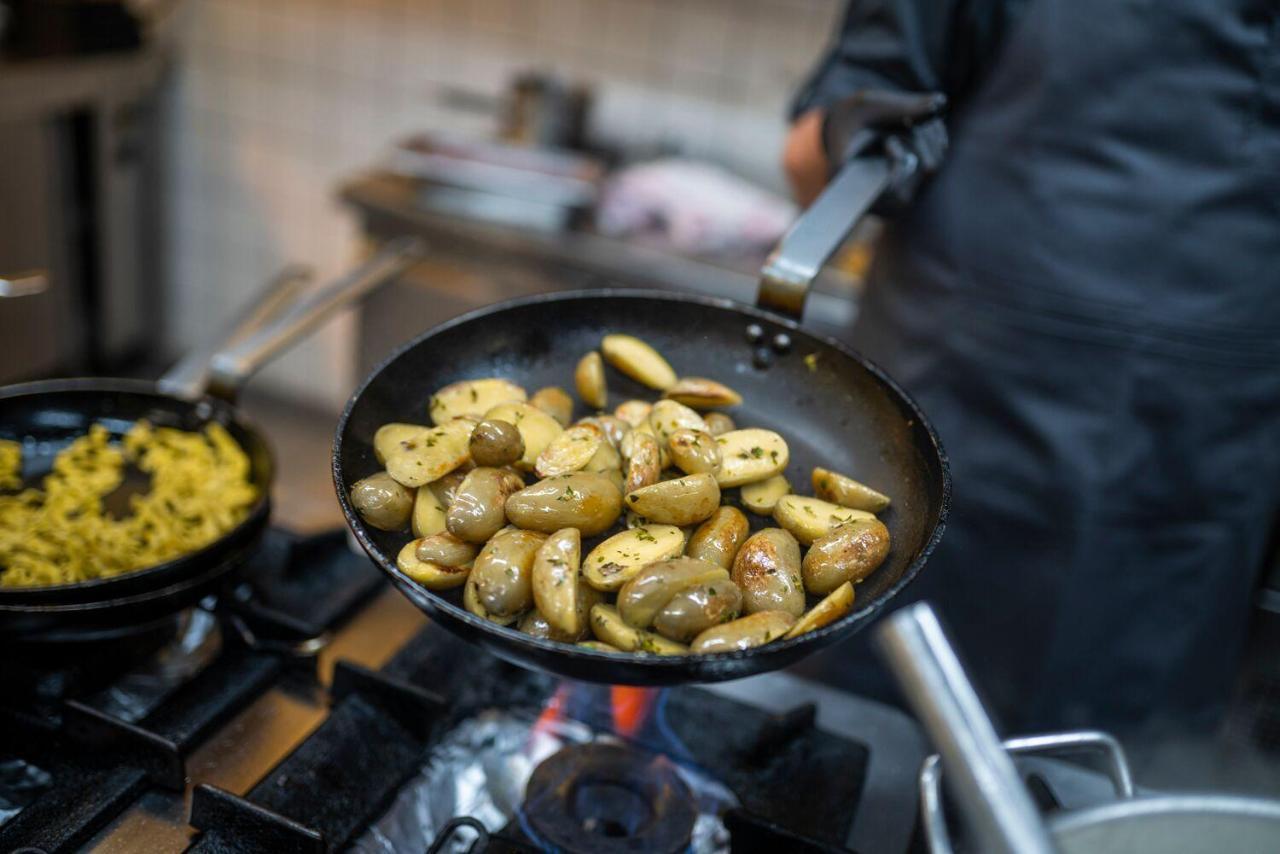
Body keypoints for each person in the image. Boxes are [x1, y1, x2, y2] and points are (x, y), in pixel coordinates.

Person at [783, 0, 1280, 734]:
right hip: (1041, 436)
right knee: (1081, 790)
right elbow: (828, 154)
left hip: (1154, 454)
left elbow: (812, 159)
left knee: (869, 770)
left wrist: (833, 140)